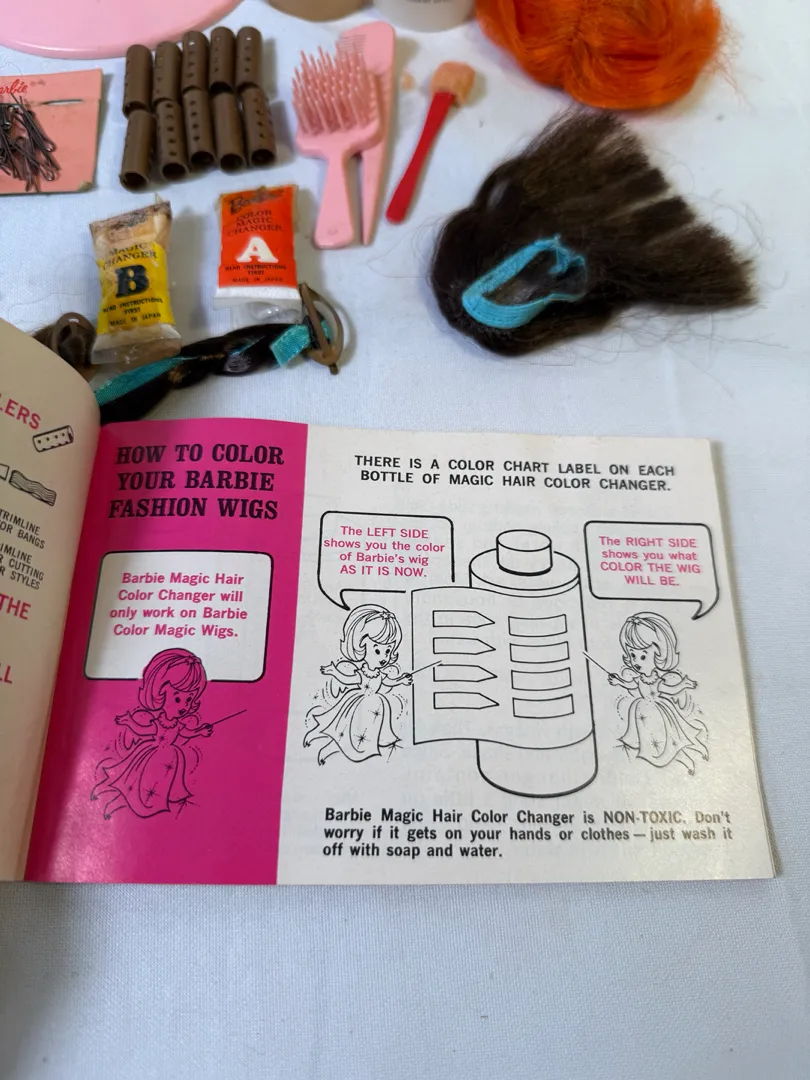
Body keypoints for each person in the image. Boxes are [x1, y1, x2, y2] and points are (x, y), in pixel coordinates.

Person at [91, 648, 212, 818]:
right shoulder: (159, 721)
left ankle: (157, 806)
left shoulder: (178, 724)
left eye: (189, 699)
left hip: (170, 758)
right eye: (178, 698)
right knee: (138, 783)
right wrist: (128, 722)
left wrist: (200, 731)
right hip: (150, 755)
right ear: (161, 692)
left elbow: (186, 733)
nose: (184, 706)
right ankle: (128, 803)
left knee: (160, 785)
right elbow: (144, 730)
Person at [305, 604, 412, 765]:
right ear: (361, 646)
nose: (383, 657)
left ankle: (358, 751)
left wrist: (401, 680)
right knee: (342, 731)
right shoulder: (363, 672)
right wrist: (333, 672)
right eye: (377, 651)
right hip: (357, 706)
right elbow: (349, 679)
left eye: (388, 651)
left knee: (361, 734)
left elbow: (388, 681)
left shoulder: (380, 673)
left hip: (375, 707)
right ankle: (322, 745)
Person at [608, 612, 708, 774]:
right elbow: (630, 684)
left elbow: (669, 689)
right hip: (643, 713)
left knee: (673, 738)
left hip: (660, 712)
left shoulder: (656, 679)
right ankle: (661, 759)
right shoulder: (639, 678)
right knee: (656, 741)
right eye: (632, 655)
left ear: (659, 653)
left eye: (643, 656)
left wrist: (684, 684)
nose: (636, 662)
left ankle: (694, 754)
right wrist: (618, 681)